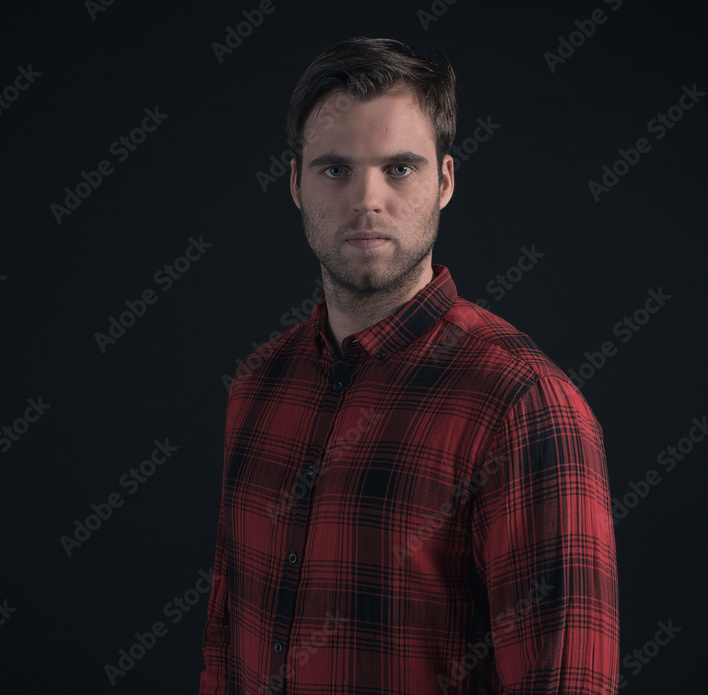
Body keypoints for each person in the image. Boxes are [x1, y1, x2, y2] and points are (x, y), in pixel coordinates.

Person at [200, 36, 619, 694]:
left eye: (399, 167)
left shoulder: (521, 404)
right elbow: (225, 643)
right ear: (295, 183)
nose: (368, 198)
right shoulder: (258, 384)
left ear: (444, 181)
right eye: (335, 169)